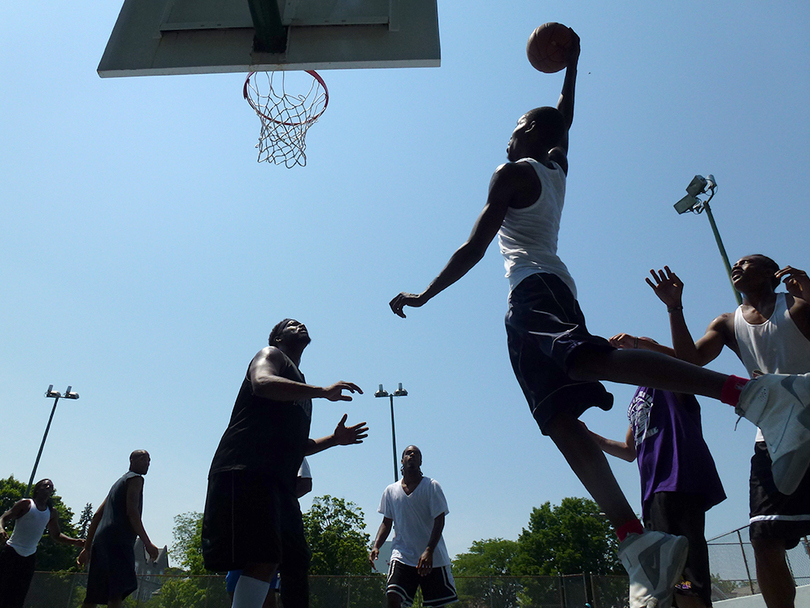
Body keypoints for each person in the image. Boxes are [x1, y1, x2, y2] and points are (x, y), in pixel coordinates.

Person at [387, 29, 810, 608]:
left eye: (515, 125)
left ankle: (754, 394)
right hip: (538, 291)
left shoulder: (512, 174)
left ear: (530, 134)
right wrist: (573, 67)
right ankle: (638, 542)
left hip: (534, 289)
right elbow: (564, 117)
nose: (508, 132)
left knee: (591, 360)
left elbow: (473, 248)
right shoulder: (556, 163)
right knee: (559, 420)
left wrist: (424, 295)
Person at [647, 257, 810, 608]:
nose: (737, 266)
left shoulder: (798, 306)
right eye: (734, 264)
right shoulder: (727, 322)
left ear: (771, 273)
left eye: (748, 262)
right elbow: (690, 362)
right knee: (764, 537)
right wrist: (675, 308)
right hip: (775, 438)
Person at [202, 318, 363, 608]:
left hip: (278, 482)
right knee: (262, 557)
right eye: (290, 324)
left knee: (295, 562)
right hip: (246, 469)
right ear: (276, 337)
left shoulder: (301, 389)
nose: (300, 325)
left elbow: (297, 447)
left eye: (301, 323)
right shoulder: (270, 355)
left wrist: (334, 439)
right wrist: (324, 391)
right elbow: (262, 383)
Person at [586, 335, 726, 608]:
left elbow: (683, 360)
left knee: (688, 580)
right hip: (652, 496)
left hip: (678, 482)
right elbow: (629, 450)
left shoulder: (669, 380)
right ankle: (683, 591)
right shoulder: (637, 399)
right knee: (669, 580)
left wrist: (638, 343)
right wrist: (588, 437)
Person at [226, 415, 369, 608]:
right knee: (238, 579)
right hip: (247, 519)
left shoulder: (289, 447)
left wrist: (278, 497)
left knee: (278, 570)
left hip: (278, 519)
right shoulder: (248, 440)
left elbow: (305, 482)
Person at [369, 446, 457, 608]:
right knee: (393, 595)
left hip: (432, 559)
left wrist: (429, 550)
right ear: (402, 461)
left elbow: (440, 520)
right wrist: (376, 546)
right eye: (408, 453)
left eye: (416, 454)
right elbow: (386, 522)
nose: (412, 455)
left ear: (420, 461)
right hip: (402, 556)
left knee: (436, 605)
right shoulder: (391, 491)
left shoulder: (431, 486)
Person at [78, 450, 160, 608]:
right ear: (131, 460)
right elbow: (132, 512)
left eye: (149, 460)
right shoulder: (136, 479)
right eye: (143, 459)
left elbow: (96, 516)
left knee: (93, 596)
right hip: (118, 541)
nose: (147, 463)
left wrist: (87, 548)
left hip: (101, 541)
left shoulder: (117, 484)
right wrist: (147, 543)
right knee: (116, 594)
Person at [0, 479, 84, 608]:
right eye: (45, 485)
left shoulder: (51, 512)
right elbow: (4, 517)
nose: (48, 487)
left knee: (19, 594)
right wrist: (1, 528)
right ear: (38, 489)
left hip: (29, 557)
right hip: (12, 551)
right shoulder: (26, 504)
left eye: (51, 486)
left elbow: (56, 535)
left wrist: (75, 541)